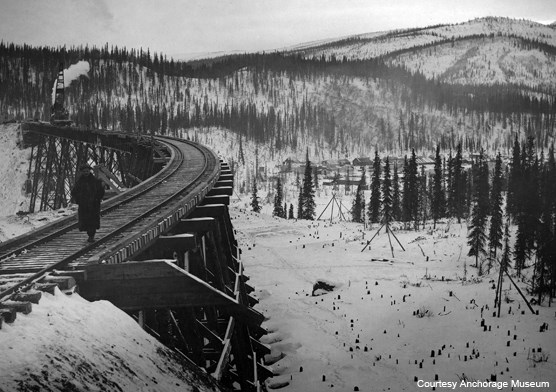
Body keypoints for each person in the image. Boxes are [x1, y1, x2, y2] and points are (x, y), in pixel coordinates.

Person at [71, 165, 105, 242]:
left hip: (94, 205)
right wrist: (79, 200)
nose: (86, 173)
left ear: (89, 171)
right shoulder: (79, 182)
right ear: (82, 172)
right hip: (84, 205)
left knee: (93, 220)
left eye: (87, 171)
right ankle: (89, 234)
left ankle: (91, 235)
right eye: (84, 171)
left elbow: (101, 191)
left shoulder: (95, 181)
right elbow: (74, 192)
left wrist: (97, 199)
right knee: (85, 220)